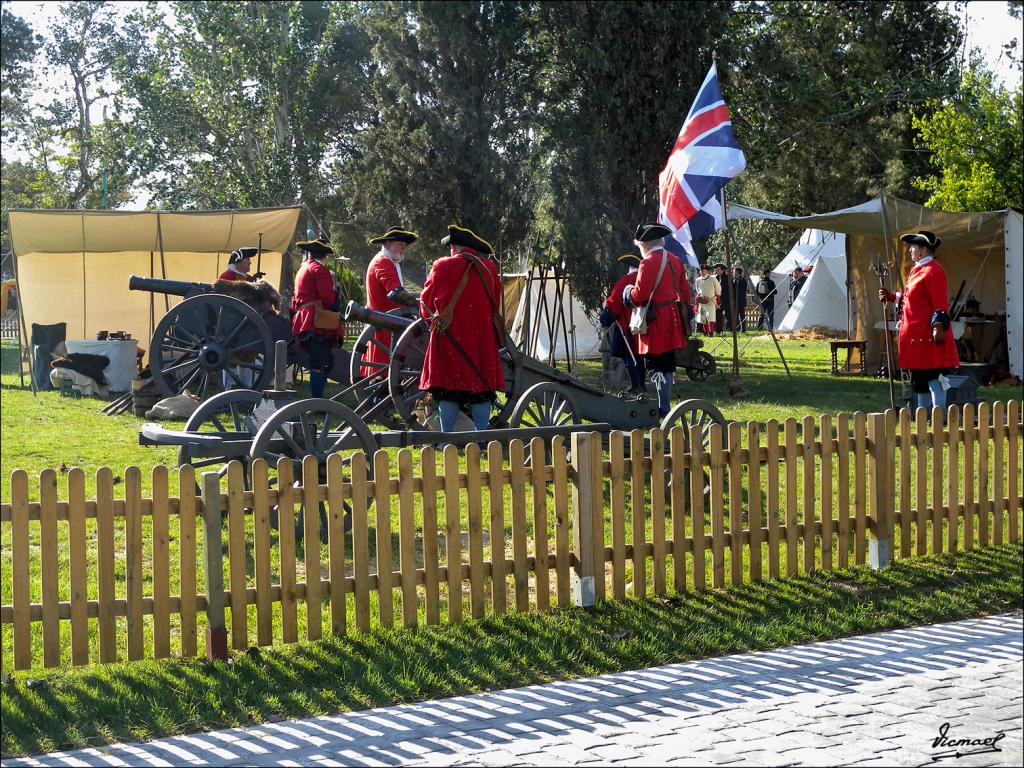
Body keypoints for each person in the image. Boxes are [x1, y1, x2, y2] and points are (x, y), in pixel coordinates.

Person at [419, 224, 504, 432]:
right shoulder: (490, 268)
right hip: (482, 340)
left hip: (449, 338)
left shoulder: (441, 265)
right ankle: (481, 438)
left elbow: (425, 305)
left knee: (448, 389)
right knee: (482, 388)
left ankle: (447, 438)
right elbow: (496, 302)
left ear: (454, 247)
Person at [878, 230, 959, 411]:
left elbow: (939, 304)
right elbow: (913, 299)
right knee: (920, 380)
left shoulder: (933, 271)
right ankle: (923, 419)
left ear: (922, 250)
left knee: (934, 377)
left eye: (913, 248)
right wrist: (892, 297)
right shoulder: (918, 270)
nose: (910, 251)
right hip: (915, 338)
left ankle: (939, 417)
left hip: (927, 338)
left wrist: (938, 326)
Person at [624, 222, 690, 418]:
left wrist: (627, 293)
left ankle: (664, 407)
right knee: (667, 364)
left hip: (656, 321)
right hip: (672, 318)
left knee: (657, 363)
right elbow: (685, 293)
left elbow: (639, 296)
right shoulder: (675, 260)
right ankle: (664, 404)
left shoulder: (648, 262)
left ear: (645, 245)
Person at [362, 227, 420, 378]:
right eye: (400, 243)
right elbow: (396, 292)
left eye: (405, 245)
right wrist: (418, 306)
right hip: (385, 326)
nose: (404, 247)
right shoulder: (382, 262)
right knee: (381, 373)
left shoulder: (389, 262)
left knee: (383, 371)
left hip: (387, 324)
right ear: (388, 244)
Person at [290, 236, 343, 399]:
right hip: (315, 320)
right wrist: (336, 300)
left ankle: (317, 399)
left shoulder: (303, 268)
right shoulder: (320, 270)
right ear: (324, 255)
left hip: (305, 317)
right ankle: (317, 401)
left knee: (320, 360)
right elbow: (328, 298)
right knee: (321, 361)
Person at [599, 253, 646, 394]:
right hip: (643, 326)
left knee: (628, 355)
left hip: (627, 325)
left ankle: (636, 384)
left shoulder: (626, 280)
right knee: (639, 355)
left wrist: (604, 317)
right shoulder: (646, 280)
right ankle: (641, 383)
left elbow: (614, 303)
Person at [694, 262, 720, 336]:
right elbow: (697, 290)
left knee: (710, 316)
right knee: (703, 317)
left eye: (703, 270)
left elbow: (718, 289)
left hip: (711, 300)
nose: (702, 272)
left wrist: (717, 298)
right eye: (701, 270)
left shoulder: (713, 279)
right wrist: (699, 298)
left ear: (707, 271)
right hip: (702, 301)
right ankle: (705, 332)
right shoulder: (698, 280)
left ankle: (711, 332)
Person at [714, 263, 731, 330]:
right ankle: (718, 329)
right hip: (717, 300)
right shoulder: (715, 278)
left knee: (728, 315)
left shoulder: (727, 278)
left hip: (726, 299)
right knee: (718, 315)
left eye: (718, 270)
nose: (717, 271)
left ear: (722, 270)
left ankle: (730, 328)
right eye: (716, 270)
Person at [731, 266, 748, 332]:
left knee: (742, 315)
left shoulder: (743, 280)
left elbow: (743, 290)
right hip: (735, 301)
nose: (734, 273)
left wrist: (738, 279)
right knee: (735, 315)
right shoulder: (733, 280)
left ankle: (743, 328)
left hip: (741, 301)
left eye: (735, 272)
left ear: (739, 273)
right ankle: (736, 328)